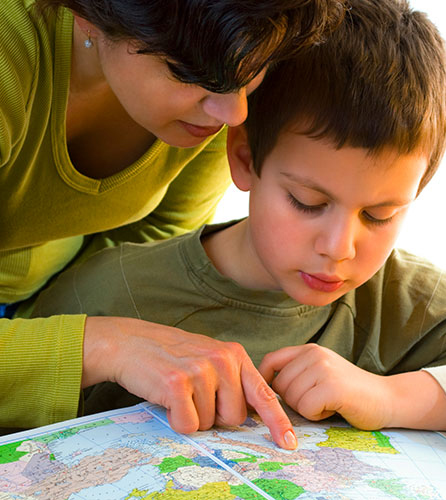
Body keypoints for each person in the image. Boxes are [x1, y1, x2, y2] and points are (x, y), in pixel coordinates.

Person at [22, 0, 446, 449]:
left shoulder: (405, 298)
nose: (339, 248)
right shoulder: (107, 293)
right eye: (307, 201)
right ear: (244, 159)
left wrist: (388, 397)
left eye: (380, 215)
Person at [0, 0, 339, 443]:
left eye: (251, 71)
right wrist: (106, 345)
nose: (234, 113)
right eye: (192, 74)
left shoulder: (215, 99)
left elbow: (137, 264)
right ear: (89, 12)